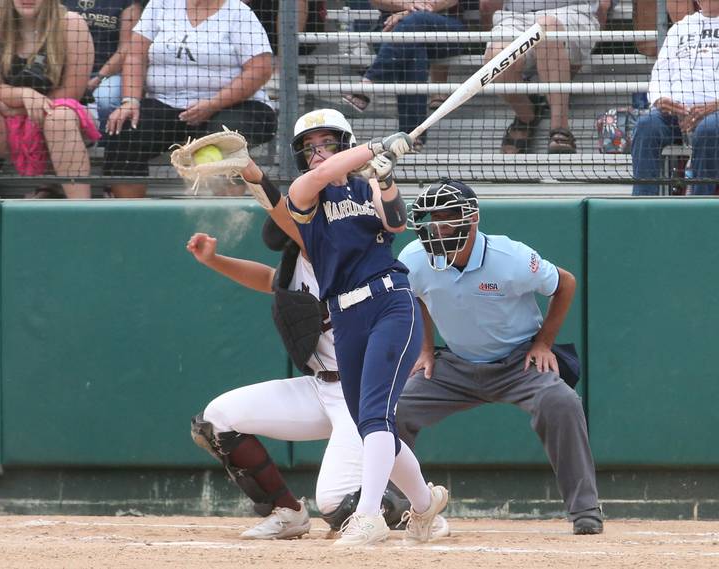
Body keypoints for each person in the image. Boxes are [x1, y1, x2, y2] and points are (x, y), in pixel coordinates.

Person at [187, 151, 449, 540]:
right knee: (216, 419)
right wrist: (214, 260)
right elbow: (267, 278)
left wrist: (249, 170)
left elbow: (281, 206)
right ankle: (287, 512)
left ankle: (411, 509)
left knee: (334, 502)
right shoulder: (298, 269)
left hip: (353, 388)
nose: (292, 240)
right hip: (318, 387)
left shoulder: (333, 245)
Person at [395, 179, 604, 536]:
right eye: (429, 220)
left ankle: (585, 510)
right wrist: (425, 349)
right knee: (393, 411)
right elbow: (413, 297)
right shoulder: (413, 257)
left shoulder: (512, 258)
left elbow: (565, 283)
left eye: (445, 219)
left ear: (471, 220)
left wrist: (543, 344)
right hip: (455, 366)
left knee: (561, 401)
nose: (435, 228)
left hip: (519, 362)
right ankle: (395, 506)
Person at [286, 108, 449, 546]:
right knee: (368, 424)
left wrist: (386, 175)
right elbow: (315, 182)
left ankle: (368, 516)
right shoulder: (304, 194)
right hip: (345, 316)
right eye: (310, 148)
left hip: (390, 302)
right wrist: (375, 148)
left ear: (343, 141)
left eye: (327, 144)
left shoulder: (366, 185)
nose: (318, 154)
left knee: (376, 416)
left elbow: (396, 222)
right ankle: (424, 503)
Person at [103, 0, 277, 198]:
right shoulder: (161, 4)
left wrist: (213, 104)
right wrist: (130, 101)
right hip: (166, 103)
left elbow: (260, 70)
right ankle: (130, 219)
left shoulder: (239, 13)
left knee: (225, 140)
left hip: (234, 105)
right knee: (124, 129)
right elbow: (135, 55)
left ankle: (226, 220)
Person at [0, 0, 98, 199]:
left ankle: (83, 209)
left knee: (60, 118)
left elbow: (71, 92)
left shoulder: (72, 24)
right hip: (9, 119)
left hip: (60, 115)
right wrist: (24, 94)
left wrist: (16, 110)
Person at [341, 1, 466, 151]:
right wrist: (406, 5)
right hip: (392, 29)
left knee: (414, 23)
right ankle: (412, 138)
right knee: (414, 52)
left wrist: (411, 13)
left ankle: (370, 81)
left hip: (445, 29)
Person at [484, 0, 601, 154]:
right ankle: (526, 115)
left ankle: (560, 128)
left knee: (546, 27)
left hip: (570, 13)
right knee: (497, 57)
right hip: (515, 18)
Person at [631, 0, 719, 196]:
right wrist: (660, 99)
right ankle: (641, 208)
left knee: (709, 129)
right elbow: (659, 74)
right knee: (646, 125)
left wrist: (715, 106)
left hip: (716, 114)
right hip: (676, 115)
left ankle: (700, 206)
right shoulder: (679, 29)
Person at [61, 0, 143, 131]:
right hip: (67, 72)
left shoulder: (128, 3)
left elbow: (126, 47)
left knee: (105, 100)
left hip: (108, 74)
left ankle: (103, 143)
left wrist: (99, 77)